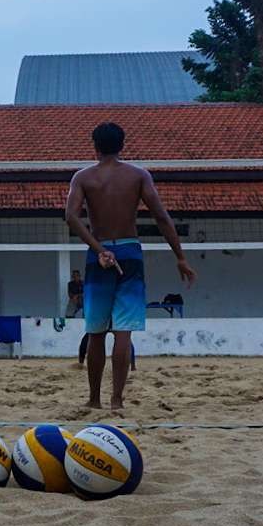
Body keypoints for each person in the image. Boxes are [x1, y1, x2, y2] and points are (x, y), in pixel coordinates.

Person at [65, 122, 195, 410]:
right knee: (123, 332)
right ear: (122, 145)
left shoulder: (84, 177)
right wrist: (180, 257)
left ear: (95, 146)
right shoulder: (138, 175)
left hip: (98, 253)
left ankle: (94, 399)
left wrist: (98, 249)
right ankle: (117, 400)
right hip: (129, 251)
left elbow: (71, 217)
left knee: (96, 332)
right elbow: (161, 216)